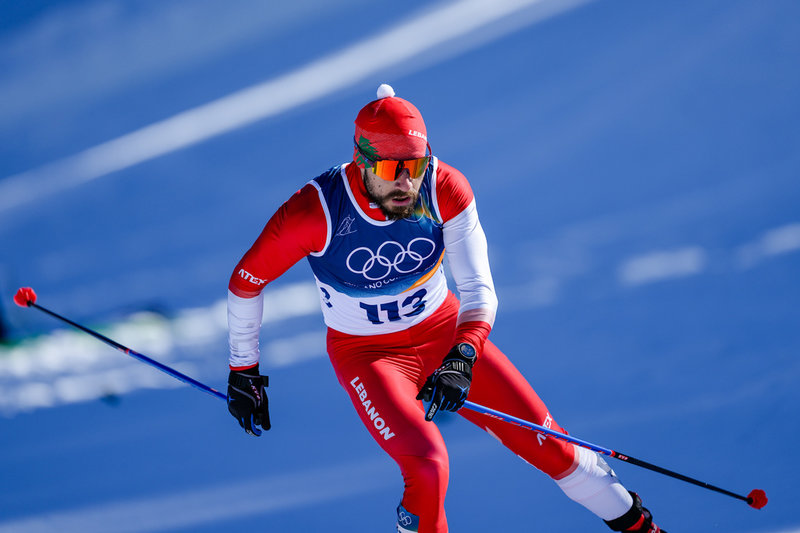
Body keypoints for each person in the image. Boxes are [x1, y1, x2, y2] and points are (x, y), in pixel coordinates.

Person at [225, 84, 665, 533]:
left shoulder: (444, 188)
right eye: (393, 168)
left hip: (443, 333)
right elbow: (245, 283)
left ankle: (640, 527)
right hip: (368, 356)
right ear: (361, 162)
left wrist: (463, 354)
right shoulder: (315, 212)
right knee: (428, 466)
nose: (406, 182)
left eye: (415, 166)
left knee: (554, 446)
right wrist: (243, 368)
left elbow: (478, 289)